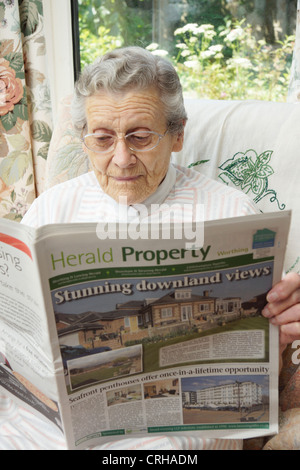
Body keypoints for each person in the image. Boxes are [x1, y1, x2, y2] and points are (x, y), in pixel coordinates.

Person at [1, 46, 300, 450]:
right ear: (84, 139)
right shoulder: (53, 208)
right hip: (42, 421)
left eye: (140, 137)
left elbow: (259, 367)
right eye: (103, 139)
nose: (121, 159)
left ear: (177, 135)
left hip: (168, 429)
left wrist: (277, 332)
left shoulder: (230, 212)